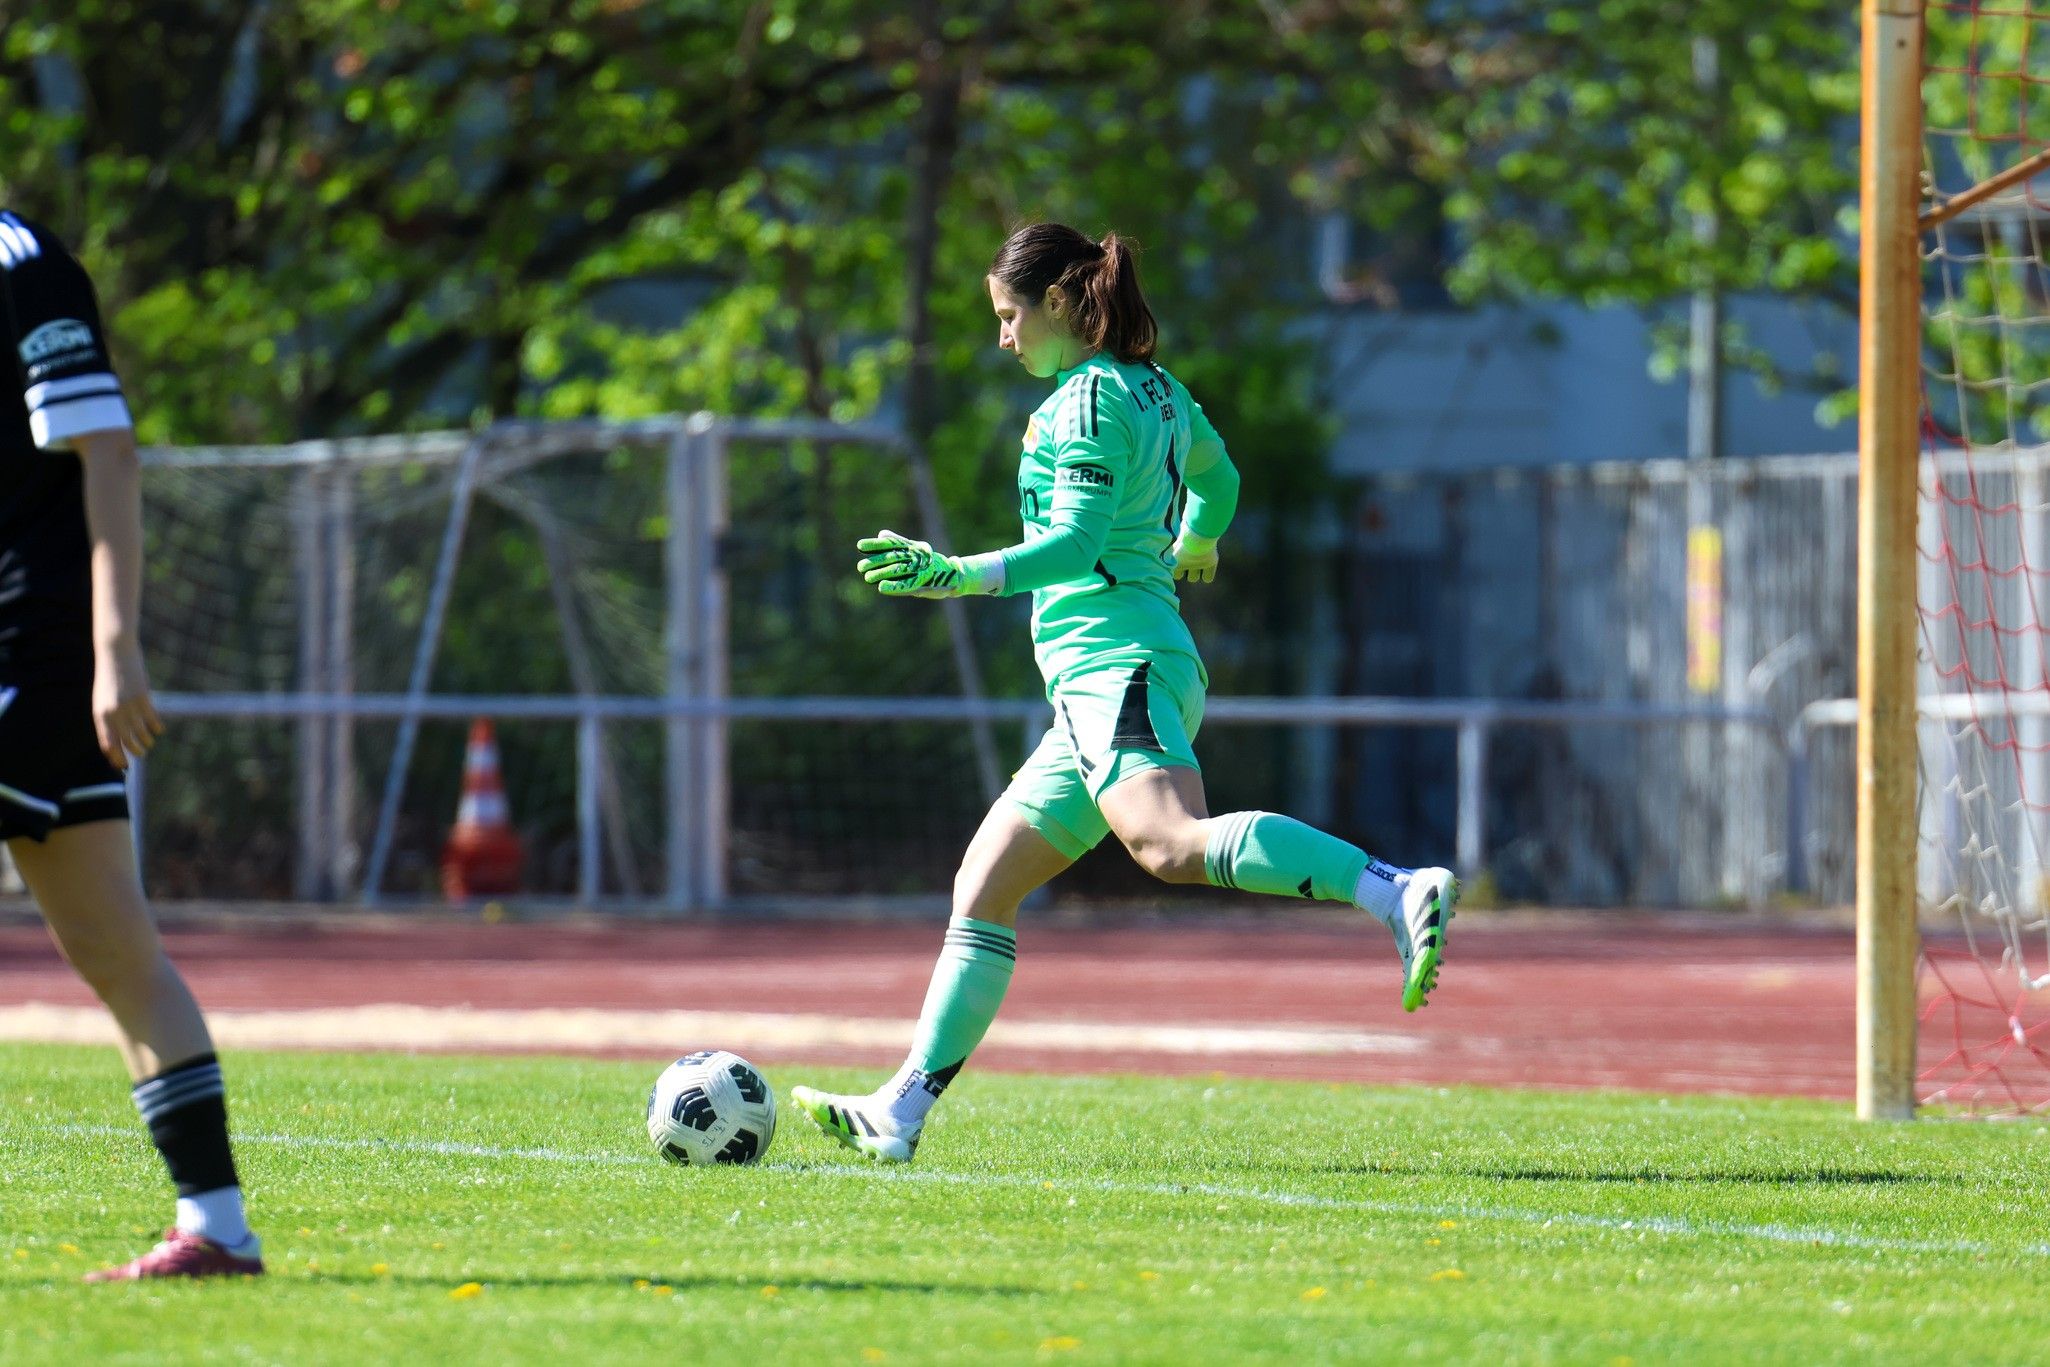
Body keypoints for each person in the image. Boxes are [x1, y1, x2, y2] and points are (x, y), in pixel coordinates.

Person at [792, 223, 1458, 1162]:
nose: (1003, 337)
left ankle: (1393, 886)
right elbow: (1220, 480)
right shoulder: (1160, 391)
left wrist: (956, 573)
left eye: (1010, 315)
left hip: (1121, 669)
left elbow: (1073, 545)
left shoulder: (1086, 402)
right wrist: (1196, 537)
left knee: (1171, 845)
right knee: (982, 887)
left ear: (1060, 305)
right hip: (1107, 681)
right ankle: (900, 1109)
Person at [0, 210, 263, 1278]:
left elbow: (106, 447)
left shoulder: (19, 260)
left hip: (31, 644)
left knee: (118, 948)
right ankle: (217, 1225)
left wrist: (116, 648)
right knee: (116, 948)